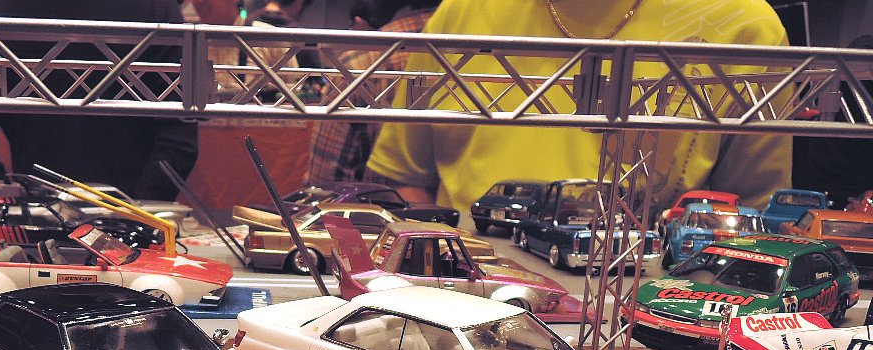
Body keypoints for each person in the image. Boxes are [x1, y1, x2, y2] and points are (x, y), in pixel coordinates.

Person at [366, 0, 793, 211]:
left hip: (652, 313)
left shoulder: (744, 28)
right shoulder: (462, 10)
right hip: (466, 301)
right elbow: (405, 180)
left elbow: (752, 215)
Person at [0, 1, 198, 201]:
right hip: (128, 220)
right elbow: (179, 139)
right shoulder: (155, 10)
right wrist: (137, 213)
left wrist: (13, 210)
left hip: (37, 219)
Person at [307, 0, 439, 184]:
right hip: (462, 201)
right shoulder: (477, 51)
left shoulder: (359, 64)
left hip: (380, 198)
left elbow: (325, 179)